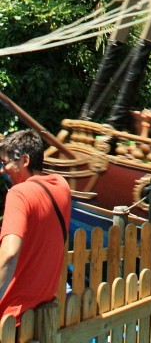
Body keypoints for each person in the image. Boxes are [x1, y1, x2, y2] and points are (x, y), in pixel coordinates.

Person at [0, 129, 71, 322]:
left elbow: (9, 254)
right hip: (42, 312)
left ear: (24, 160)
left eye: (6, 163)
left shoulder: (19, 194)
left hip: (11, 318)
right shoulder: (62, 187)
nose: (2, 170)